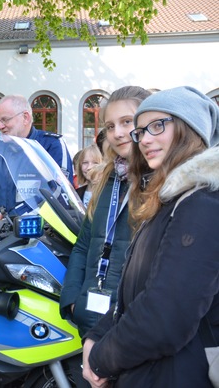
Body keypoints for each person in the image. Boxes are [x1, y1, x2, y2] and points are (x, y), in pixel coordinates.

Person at [82, 86, 219, 387]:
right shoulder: (169, 199)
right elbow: (137, 295)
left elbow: (165, 318)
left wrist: (102, 358)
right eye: (141, 131)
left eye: (158, 125)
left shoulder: (202, 204)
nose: (144, 139)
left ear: (189, 128)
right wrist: (96, 335)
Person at [59, 86, 150, 339]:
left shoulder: (159, 184)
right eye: (110, 126)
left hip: (132, 325)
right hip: (91, 314)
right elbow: (84, 245)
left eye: (126, 122)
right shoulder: (107, 179)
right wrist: (73, 300)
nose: (118, 133)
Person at [0, 94, 74, 237]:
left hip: (44, 238)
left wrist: (14, 219)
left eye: (5, 120)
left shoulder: (52, 145)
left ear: (25, 117)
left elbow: (60, 193)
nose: (0, 126)